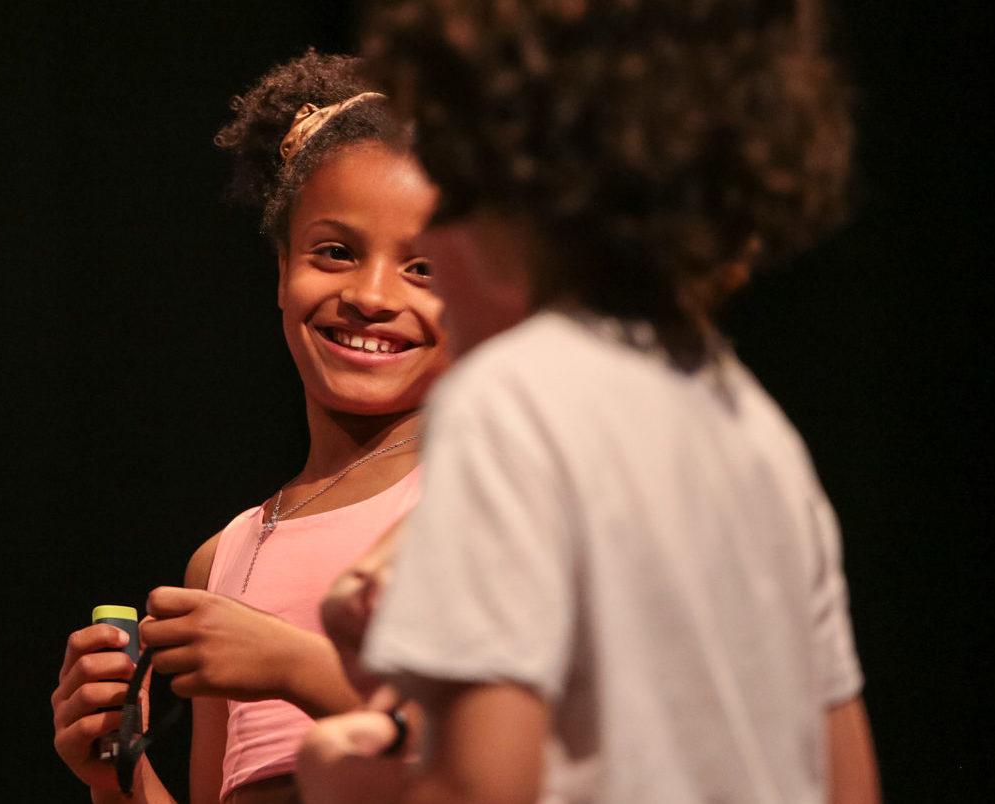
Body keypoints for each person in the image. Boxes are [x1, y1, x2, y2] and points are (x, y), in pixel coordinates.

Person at [296, 1, 880, 802]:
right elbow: (848, 784)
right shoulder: (754, 429)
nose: (430, 238)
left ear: (507, 179)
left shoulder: (511, 402)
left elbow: (482, 790)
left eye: (450, 186)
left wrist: (350, 782)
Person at [49, 51, 451, 804]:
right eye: (335, 252)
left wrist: (296, 667)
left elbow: (517, 759)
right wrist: (119, 778)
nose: (370, 295)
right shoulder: (224, 556)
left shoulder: (482, 501)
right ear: (281, 268)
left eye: (423, 268)